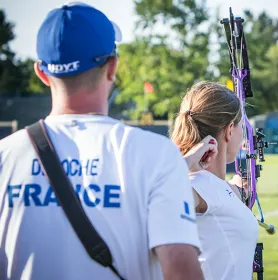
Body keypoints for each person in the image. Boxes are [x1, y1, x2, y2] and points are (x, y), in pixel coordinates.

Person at [0, 3, 214, 280]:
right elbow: (182, 272)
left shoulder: (5, 156)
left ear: (41, 73)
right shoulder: (156, 154)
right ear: (112, 67)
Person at [170, 81, 259, 280]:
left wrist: (242, 188)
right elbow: (162, 191)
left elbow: (223, 199)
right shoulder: (198, 188)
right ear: (229, 130)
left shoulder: (213, 188)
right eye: (240, 127)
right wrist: (190, 159)